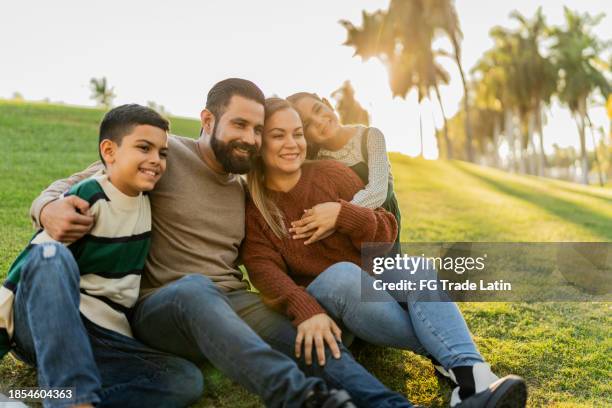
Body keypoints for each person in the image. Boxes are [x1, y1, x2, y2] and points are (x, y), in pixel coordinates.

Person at [30, 79, 417, 408]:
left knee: (313, 338)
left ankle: (388, 403)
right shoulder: (164, 157)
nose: (250, 139)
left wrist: (309, 307)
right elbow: (69, 185)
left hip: (233, 301)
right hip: (164, 305)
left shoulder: (246, 187)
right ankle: (298, 397)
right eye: (240, 125)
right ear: (208, 120)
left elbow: (266, 258)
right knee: (197, 290)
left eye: (257, 130)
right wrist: (48, 209)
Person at [243, 97, 528, 408]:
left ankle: (473, 380)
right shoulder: (256, 208)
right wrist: (304, 307)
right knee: (343, 275)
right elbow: (263, 270)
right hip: (328, 305)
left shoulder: (329, 172)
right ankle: (443, 352)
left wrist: (343, 215)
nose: (292, 143)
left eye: (297, 133)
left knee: (417, 269)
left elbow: (385, 227)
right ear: (259, 143)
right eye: (278, 135)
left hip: (372, 287)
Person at [0, 104, 204, 407]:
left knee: (184, 379)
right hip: (51, 323)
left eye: (162, 152)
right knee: (50, 255)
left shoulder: (150, 198)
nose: (155, 160)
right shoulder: (88, 198)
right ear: (109, 152)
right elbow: (32, 268)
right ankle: (73, 399)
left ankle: (63, 400)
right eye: (144, 148)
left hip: (105, 340)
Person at [285, 92, 400, 249]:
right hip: (343, 227)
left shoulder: (370, 136)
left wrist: (339, 214)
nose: (318, 122)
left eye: (318, 109)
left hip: (382, 215)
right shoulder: (316, 158)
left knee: (387, 267)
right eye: (307, 124)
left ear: (327, 103)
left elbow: (378, 191)